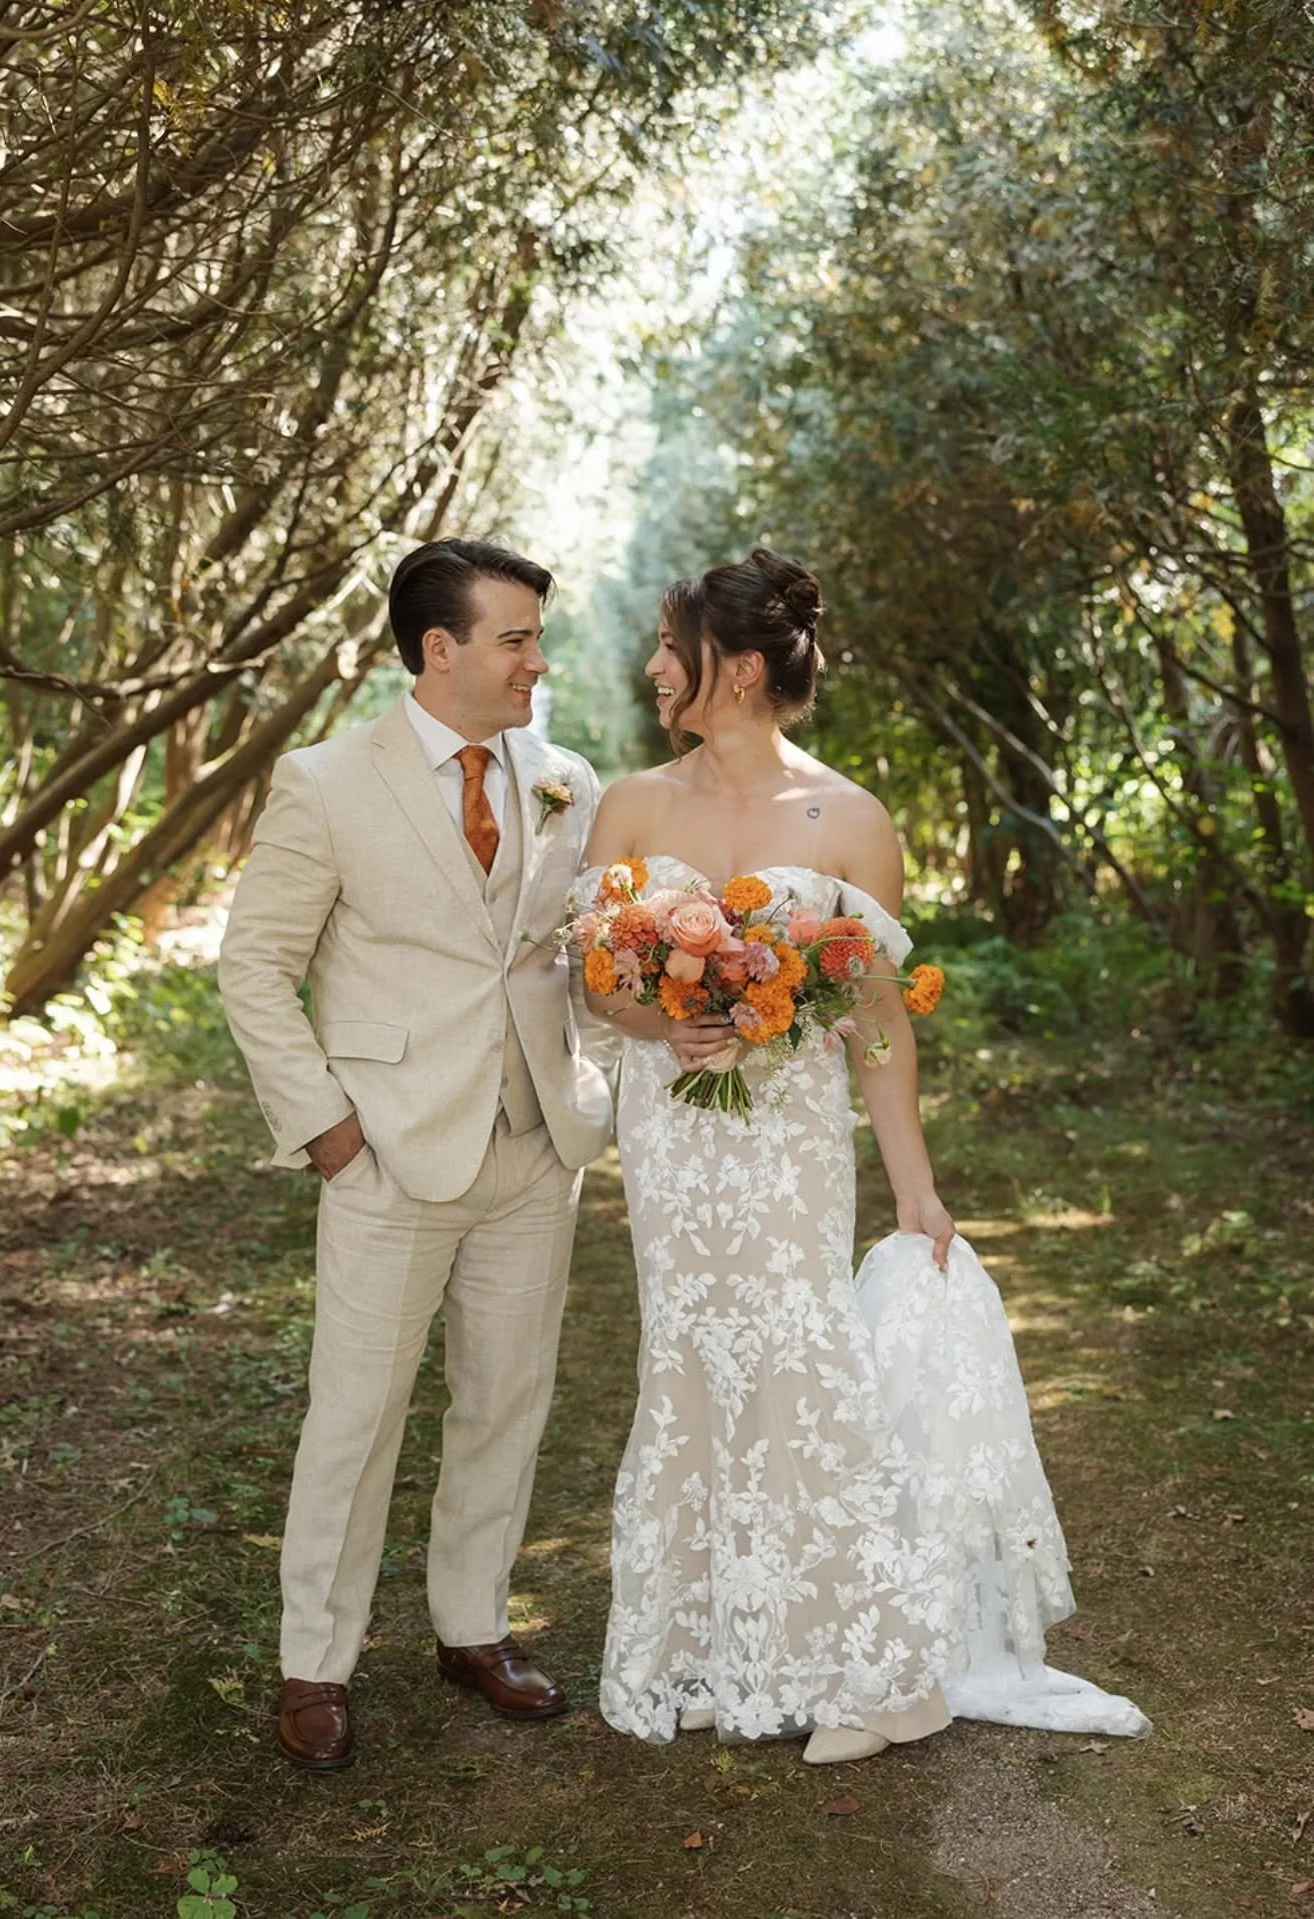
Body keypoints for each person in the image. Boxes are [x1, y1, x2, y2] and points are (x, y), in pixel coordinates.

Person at [579, 547, 1148, 1763]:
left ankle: (883, 1676)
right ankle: (715, 1648)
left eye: (673, 645)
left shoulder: (851, 818)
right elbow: (594, 983)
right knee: (687, 1362)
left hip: (787, 1140)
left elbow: (880, 1018)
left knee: (803, 1365)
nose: (655, 666)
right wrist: (660, 1019)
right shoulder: (629, 806)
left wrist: (916, 1188)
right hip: (672, 1137)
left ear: (737, 668)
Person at [219, 538, 613, 1772]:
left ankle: (473, 1625)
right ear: (440, 648)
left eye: (539, 637)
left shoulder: (567, 779)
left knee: (507, 1396)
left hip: (533, 1146)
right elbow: (254, 966)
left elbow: (579, 958)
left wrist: (591, 1090)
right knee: (356, 1412)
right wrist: (329, 1130)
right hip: (386, 1152)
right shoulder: (329, 780)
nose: (537, 662)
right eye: (515, 638)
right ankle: (316, 1661)